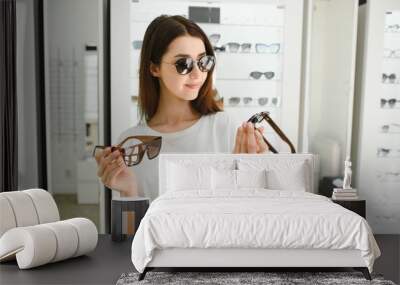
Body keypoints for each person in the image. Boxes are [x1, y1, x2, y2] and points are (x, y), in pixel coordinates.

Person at [95, 15, 268, 200]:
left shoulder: (225, 128)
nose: (197, 73)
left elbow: (247, 216)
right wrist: (128, 191)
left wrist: (252, 173)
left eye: (203, 61)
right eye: (183, 64)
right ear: (154, 68)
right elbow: (131, 229)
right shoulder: (131, 144)